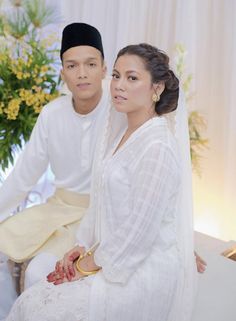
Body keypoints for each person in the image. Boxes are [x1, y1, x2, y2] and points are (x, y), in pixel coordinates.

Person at [6, 43, 198, 321]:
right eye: (117, 76)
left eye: (132, 78)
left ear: (156, 88)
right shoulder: (122, 135)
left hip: (141, 271)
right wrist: (81, 247)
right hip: (110, 256)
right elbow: (100, 203)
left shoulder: (157, 147)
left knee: (44, 308)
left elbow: (138, 232)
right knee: (35, 297)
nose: (119, 85)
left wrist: (88, 265)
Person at [0, 22, 109, 312]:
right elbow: (23, 175)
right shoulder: (51, 113)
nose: (82, 73)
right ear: (62, 73)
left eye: (91, 64)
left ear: (104, 69)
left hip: (100, 216)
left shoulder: (118, 108)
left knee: (40, 272)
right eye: (72, 66)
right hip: (58, 208)